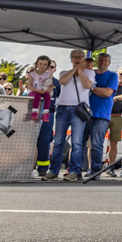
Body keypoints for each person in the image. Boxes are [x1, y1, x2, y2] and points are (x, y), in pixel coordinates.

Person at [46, 50, 94, 182]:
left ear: (84, 59)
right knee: (58, 141)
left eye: (80, 57)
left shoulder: (89, 73)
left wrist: (80, 71)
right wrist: (75, 70)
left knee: (77, 142)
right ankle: (54, 171)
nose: (77, 59)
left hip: (78, 110)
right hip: (62, 108)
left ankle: (74, 171)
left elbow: (88, 85)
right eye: (75, 57)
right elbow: (62, 81)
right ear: (71, 59)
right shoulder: (64, 72)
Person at [86, 52, 119, 177]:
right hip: (85, 112)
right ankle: (76, 169)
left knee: (97, 143)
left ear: (109, 63)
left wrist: (91, 88)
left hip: (101, 114)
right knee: (81, 143)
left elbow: (107, 92)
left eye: (105, 60)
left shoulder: (112, 75)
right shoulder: (90, 74)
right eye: (101, 60)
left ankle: (96, 170)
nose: (103, 62)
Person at [107, 65, 122, 171]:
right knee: (96, 142)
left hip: (118, 117)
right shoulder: (109, 85)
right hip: (105, 115)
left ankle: (111, 167)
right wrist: (118, 98)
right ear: (116, 74)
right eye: (121, 74)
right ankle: (91, 167)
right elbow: (106, 98)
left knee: (114, 143)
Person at [25, 56, 54, 122]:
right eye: (40, 64)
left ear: (47, 66)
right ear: (36, 64)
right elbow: (29, 86)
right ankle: (34, 112)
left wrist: (50, 89)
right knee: (37, 95)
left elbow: (51, 84)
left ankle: (45, 113)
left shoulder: (48, 74)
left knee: (47, 96)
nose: (42, 66)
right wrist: (38, 90)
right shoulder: (32, 74)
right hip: (33, 91)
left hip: (43, 91)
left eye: (45, 64)